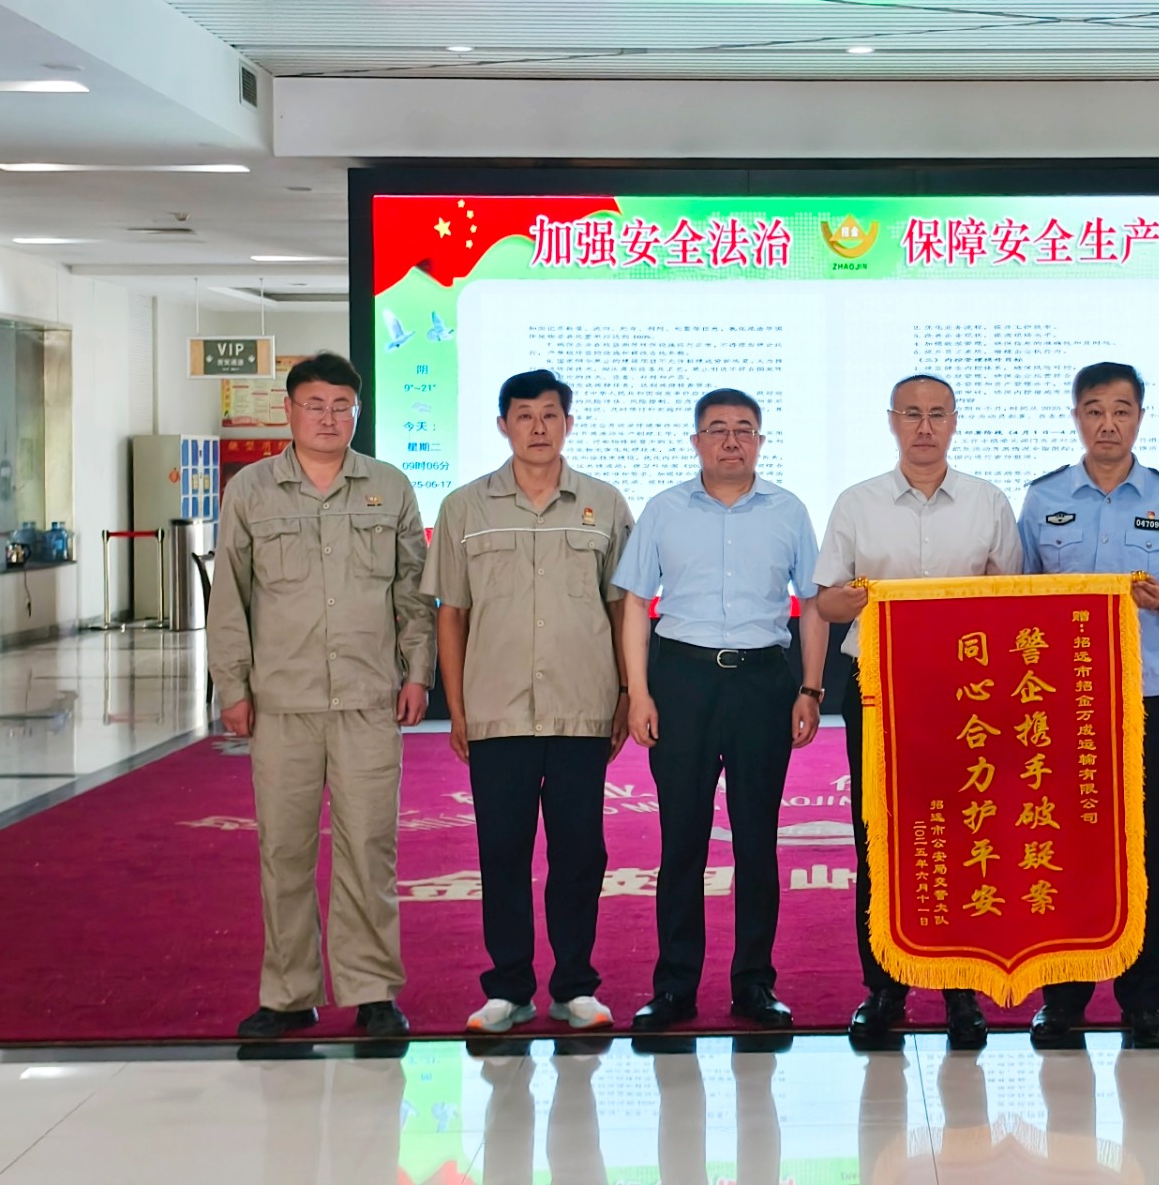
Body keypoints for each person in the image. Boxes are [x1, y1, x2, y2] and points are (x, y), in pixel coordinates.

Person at [209, 351, 434, 1040]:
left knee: (370, 848)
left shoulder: (389, 487)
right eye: (315, 405)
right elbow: (230, 596)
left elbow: (412, 593)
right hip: (283, 701)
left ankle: (372, 991)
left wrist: (419, 673)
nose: (329, 418)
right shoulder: (252, 490)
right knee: (284, 851)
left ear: (357, 412)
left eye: (342, 406)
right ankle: (288, 993)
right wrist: (232, 686)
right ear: (289, 410)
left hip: (368, 698)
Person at [814, 374, 1024, 1050]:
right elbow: (826, 602)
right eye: (912, 414)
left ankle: (963, 991)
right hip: (878, 684)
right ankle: (885, 987)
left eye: (937, 414)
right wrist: (859, 599)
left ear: (954, 422)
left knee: (967, 833)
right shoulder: (857, 502)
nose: (925, 427)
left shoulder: (989, 502)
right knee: (880, 834)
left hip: (968, 693)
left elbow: (1013, 595)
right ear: (892, 421)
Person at [422, 369, 633, 1034]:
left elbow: (621, 607)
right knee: (502, 851)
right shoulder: (465, 507)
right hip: (497, 708)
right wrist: (457, 708)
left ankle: (575, 986)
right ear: (502, 425)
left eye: (550, 414)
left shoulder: (604, 503)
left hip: (581, 706)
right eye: (524, 415)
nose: (538, 427)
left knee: (580, 853)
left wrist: (627, 692)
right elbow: (451, 613)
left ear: (569, 424)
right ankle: (508, 988)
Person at [614, 388, 828, 1031]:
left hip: (763, 682)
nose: (731, 440)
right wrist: (638, 691)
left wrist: (810, 688)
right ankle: (674, 987)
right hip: (682, 680)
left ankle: (755, 984)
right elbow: (634, 603)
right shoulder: (664, 509)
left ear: (760, 440)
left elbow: (814, 604)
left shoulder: (789, 511)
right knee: (681, 839)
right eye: (717, 429)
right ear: (696, 441)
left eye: (743, 429)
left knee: (757, 840)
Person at [1019, 362, 1159, 1050]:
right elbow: (1019, 593)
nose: (1107, 424)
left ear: (1140, 418)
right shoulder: (1043, 497)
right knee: (1063, 844)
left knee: (1145, 845)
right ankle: (1063, 998)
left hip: (1143, 697)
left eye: (1121, 410)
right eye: (1094, 410)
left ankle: (1144, 1000)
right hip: (1060, 703)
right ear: (1076, 417)